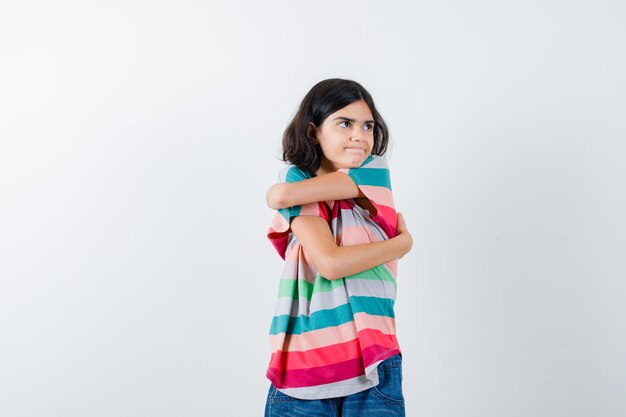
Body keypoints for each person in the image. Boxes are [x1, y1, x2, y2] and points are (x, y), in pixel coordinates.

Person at [264, 78, 413, 417]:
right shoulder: (298, 179)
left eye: (368, 125)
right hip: (305, 362)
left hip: (374, 360)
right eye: (344, 123)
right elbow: (330, 262)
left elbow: (280, 199)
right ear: (314, 130)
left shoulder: (373, 170)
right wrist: (400, 244)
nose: (359, 135)